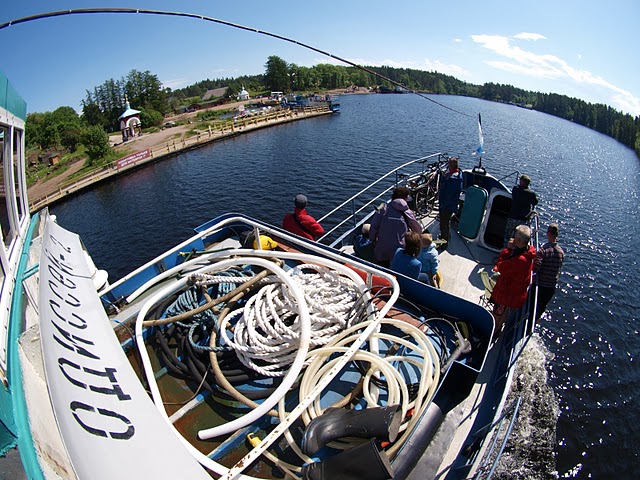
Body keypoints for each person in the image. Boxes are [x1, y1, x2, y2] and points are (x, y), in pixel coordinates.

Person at [490, 224, 536, 337]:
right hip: (514, 293)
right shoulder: (529, 252)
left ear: (519, 240)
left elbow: (501, 266)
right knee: (503, 314)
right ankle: (497, 330)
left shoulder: (520, 260)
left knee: (497, 315)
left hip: (507, 294)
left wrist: (508, 249)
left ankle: (491, 333)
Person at [369, 186, 422, 267]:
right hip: (399, 251)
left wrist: (373, 240)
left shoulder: (383, 208)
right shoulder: (408, 212)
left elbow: (374, 226)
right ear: (406, 198)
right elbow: (418, 230)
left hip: (382, 248)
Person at [529, 223, 564, 321]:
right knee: (540, 310)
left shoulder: (543, 250)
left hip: (540, 285)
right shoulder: (561, 252)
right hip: (550, 287)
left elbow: (536, 267)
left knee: (531, 307)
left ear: (548, 233)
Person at [503, 174, 538, 247]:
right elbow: (535, 202)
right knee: (519, 238)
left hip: (512, 217)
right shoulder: (531, 194)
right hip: (522, 220)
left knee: (507, 236)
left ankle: (505, 249)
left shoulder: (515, 189)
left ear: (522, 182)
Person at [438, 156, 463, 249]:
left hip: (447, 205)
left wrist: (443, 205)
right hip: (449, 203)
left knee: (444, 223)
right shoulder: (456, 174)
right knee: (445, 222)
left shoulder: (453, 179)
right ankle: (446, 237)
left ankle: (444, 243)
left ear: (451, 166)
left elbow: (448, 194)